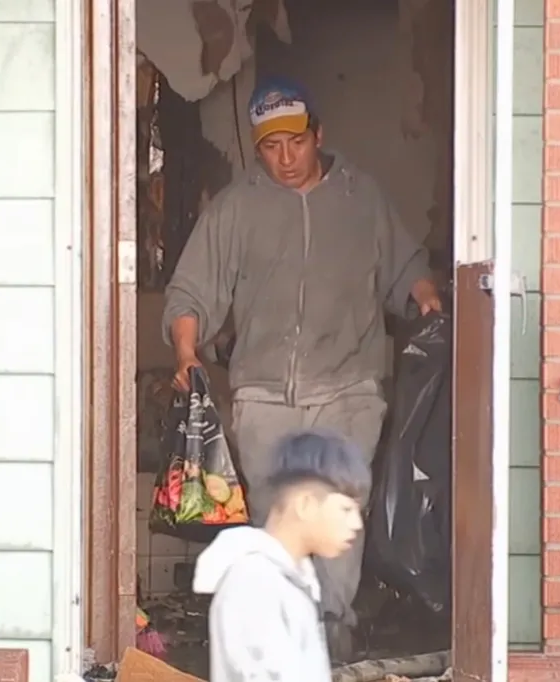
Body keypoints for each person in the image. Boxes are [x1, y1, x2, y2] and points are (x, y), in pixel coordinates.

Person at [162, 75, 441, 660]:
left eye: (296, 142)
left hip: (349, 389)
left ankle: (330, 640)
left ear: (319, 134)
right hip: (265, 395)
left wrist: (427, 298)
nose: (284, 159)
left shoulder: (361, 198)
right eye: (269, 147)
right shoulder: (237, 208)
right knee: (279, 524)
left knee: (337, 514)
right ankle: (283, 649)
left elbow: (404, 265)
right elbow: (192, 289)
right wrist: (187, 349)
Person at [192, 429, 371, 682]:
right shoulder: (257, 586)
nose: (356, 524)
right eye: (345, 509)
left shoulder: (292, 579)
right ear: (306, 505)